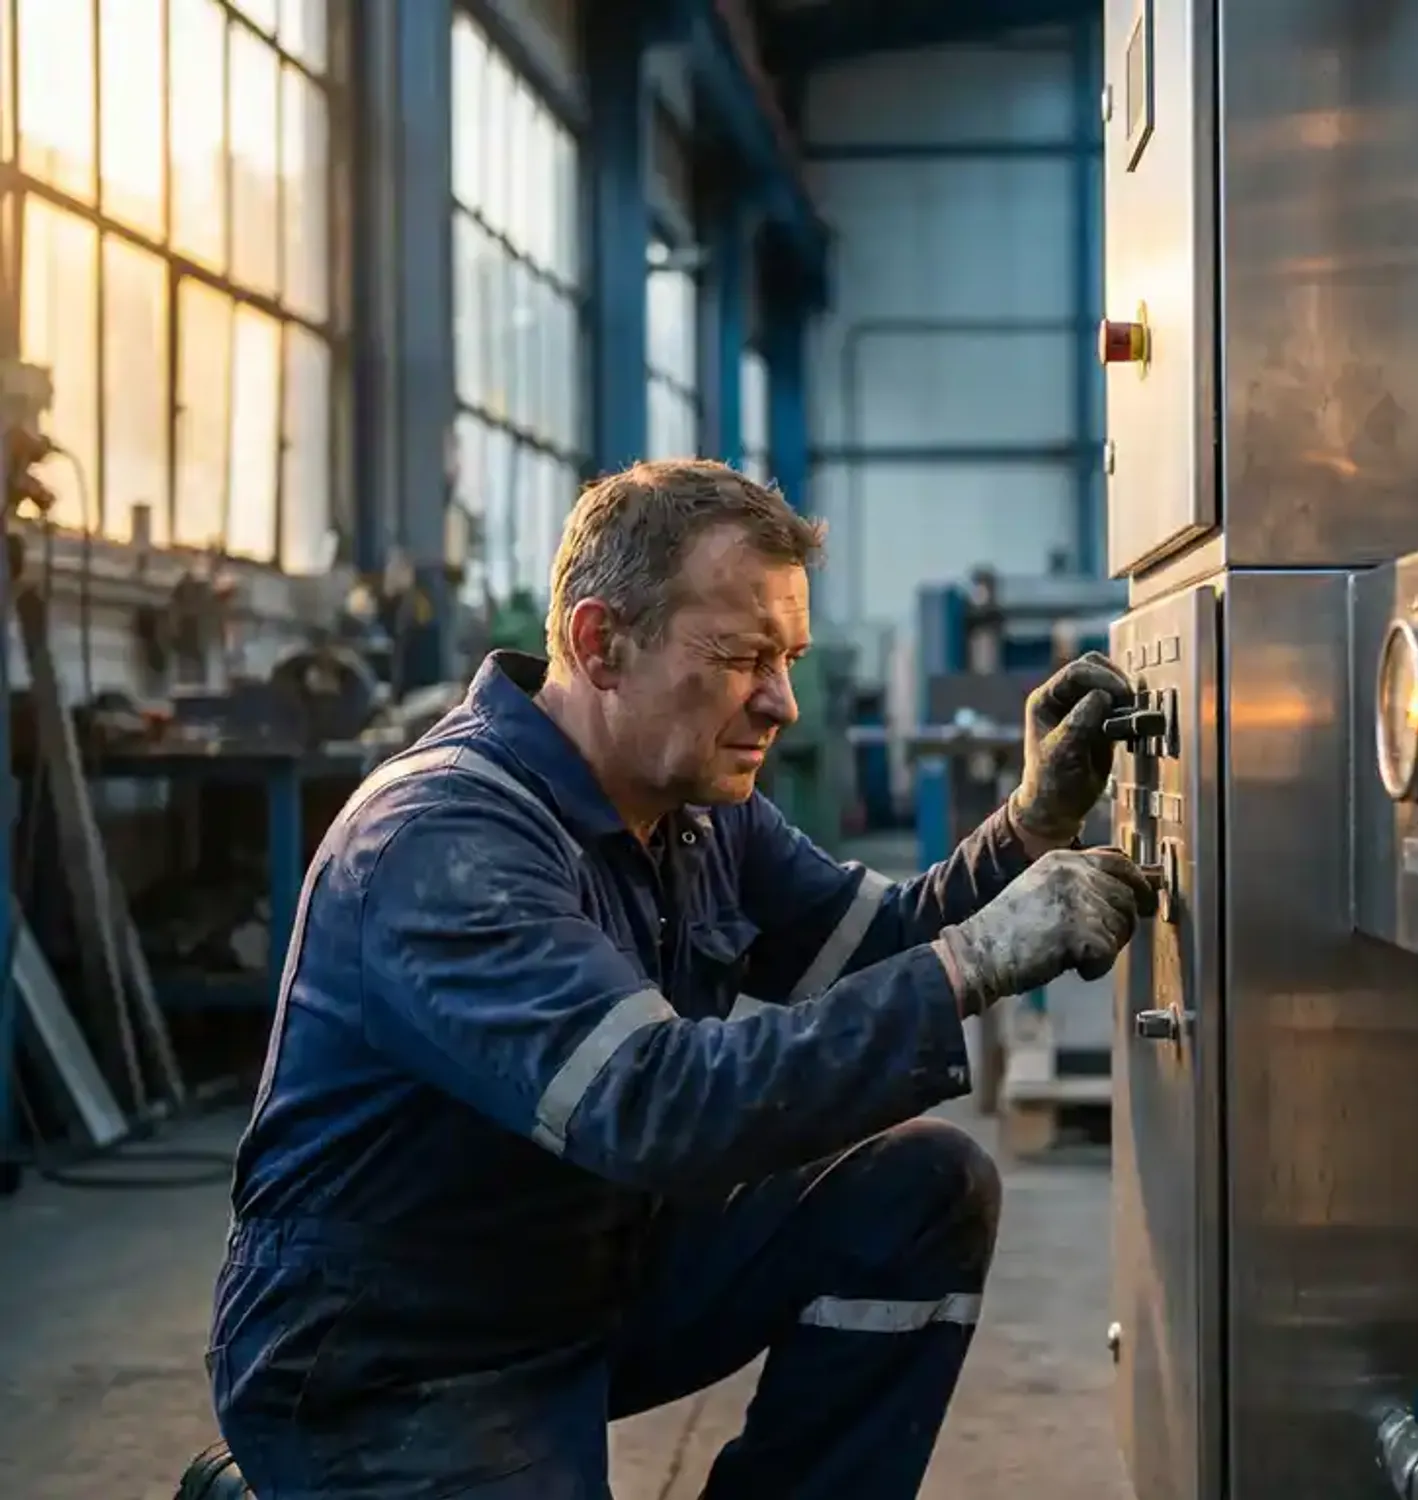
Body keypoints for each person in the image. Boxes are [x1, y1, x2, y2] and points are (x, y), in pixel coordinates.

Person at [202, 459, 1156, 1500]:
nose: (781, 702)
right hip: (391, 1348)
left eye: (787, 658)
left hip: (577, 1273)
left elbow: (880, 945)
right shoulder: (442, 842)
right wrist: (973, 962)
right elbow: (655, 1104)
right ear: (599, 645)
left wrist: (1029, 825)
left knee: (923, 1189)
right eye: (742, 656)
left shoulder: (694, 808)